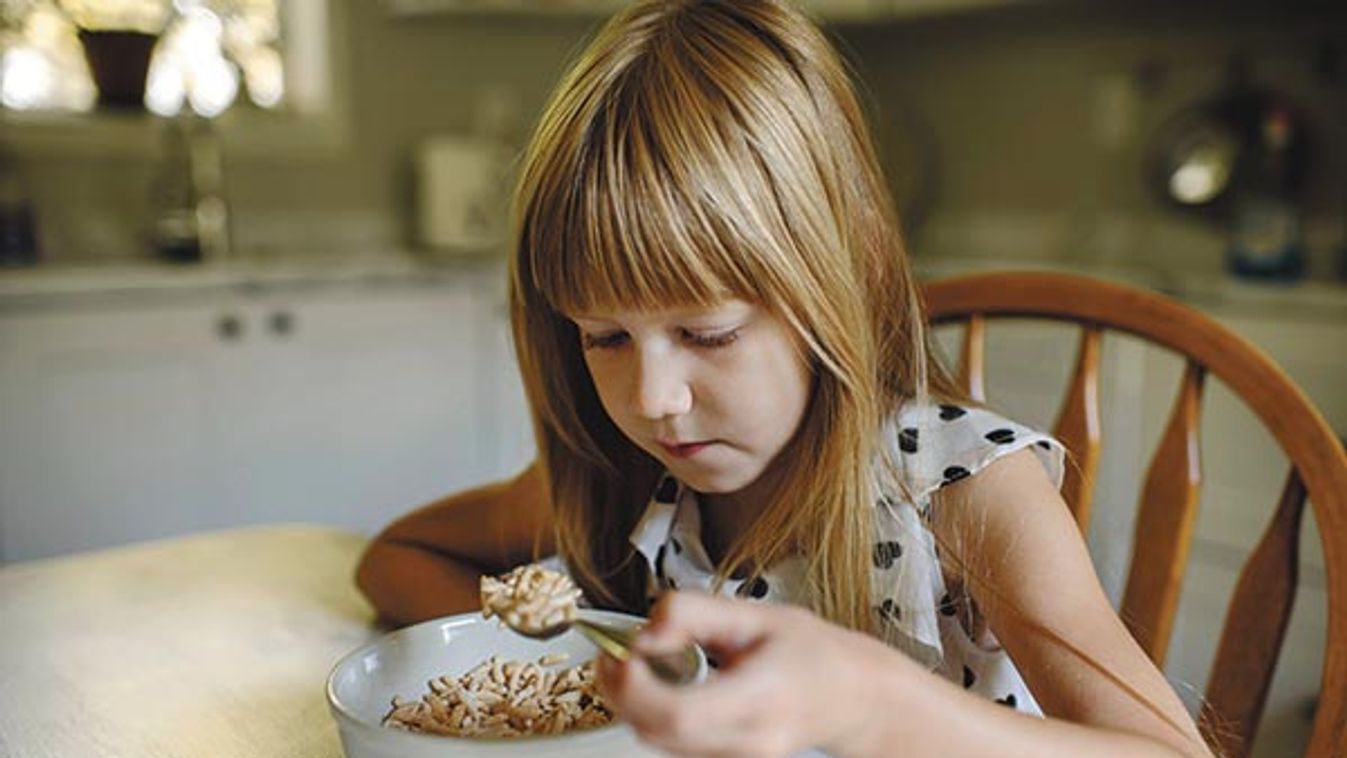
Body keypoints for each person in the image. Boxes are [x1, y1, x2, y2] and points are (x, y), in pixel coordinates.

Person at [356, 1, 1213, 756]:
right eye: (604, 337)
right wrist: (583, 658)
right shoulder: (629, 483)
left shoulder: (962, 497)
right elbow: (395, 559)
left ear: (833, 280)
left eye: (707, 332)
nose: (654, 400)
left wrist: (868, 706)